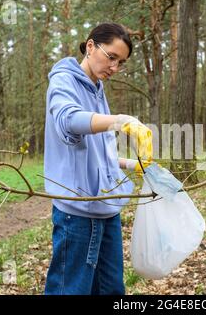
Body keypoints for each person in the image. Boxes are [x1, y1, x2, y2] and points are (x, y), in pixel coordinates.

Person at [43, 22, 153, 295]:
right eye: (111, 57)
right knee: (71, 290)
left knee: (111, 290)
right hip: (78, 210)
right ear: (90, 46)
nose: (114, 68)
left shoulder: (97, 87)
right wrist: (121, 120)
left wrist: (130, 165)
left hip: (107, 207)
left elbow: (97, 151)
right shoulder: (63, 80)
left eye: (121, 62)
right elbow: (69, 120)